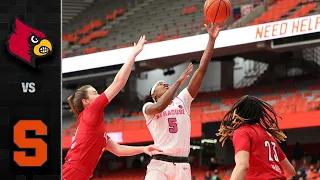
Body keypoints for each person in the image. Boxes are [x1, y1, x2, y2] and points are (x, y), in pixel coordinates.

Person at [62, 35, 162, 180]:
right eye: (95, 93)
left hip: (78, 173)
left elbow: (118, 150)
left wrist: (143, 148)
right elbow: (119, 82)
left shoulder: (96, 126)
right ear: (86, 102)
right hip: (73, 172)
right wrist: (133, 54)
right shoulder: (91, 110)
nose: (100, 95)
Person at [142, 23, 225, 180]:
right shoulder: (148, 108)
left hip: (182, 165)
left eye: (165, 82)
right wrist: (178, 82)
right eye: (160, 84)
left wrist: (211, 40)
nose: (164, 83)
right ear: (153, 94)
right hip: (159, 164)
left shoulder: (182, 100)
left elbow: (201, 69)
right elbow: (160, 106)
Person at [216, 95, 296, 180]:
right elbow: (291, 171)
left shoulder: (242, 131)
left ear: (239, 112)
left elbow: (243, 166)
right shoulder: (268, 136)